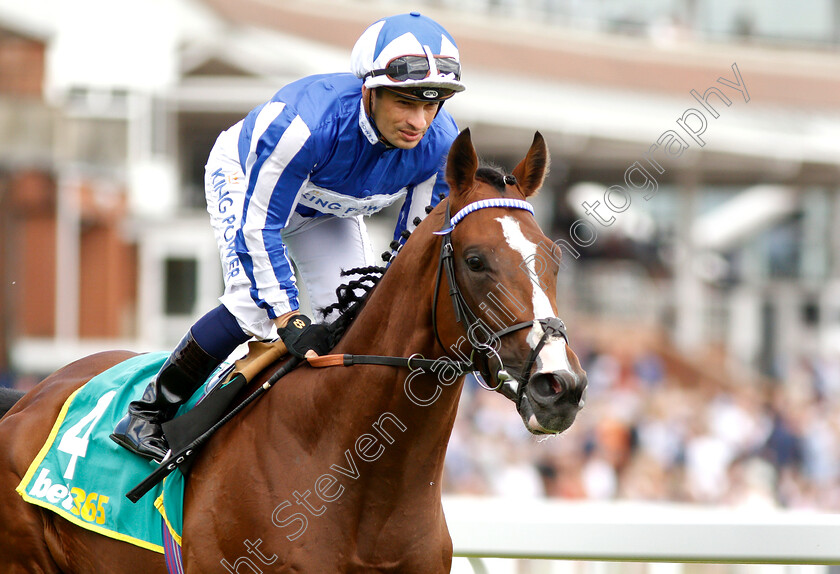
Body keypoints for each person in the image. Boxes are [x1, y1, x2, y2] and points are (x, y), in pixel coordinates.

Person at [110, 12, 465, 462]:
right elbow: (260, 227)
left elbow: (409, 249)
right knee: (254, 305)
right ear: (369, 91)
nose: (419, 121)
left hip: (327, 209)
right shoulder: (306, 125)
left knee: (352, 310)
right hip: (248, 181)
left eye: (432, 105)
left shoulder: (441, 145)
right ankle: (150, 410)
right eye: (406, 102)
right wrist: (287, 314)